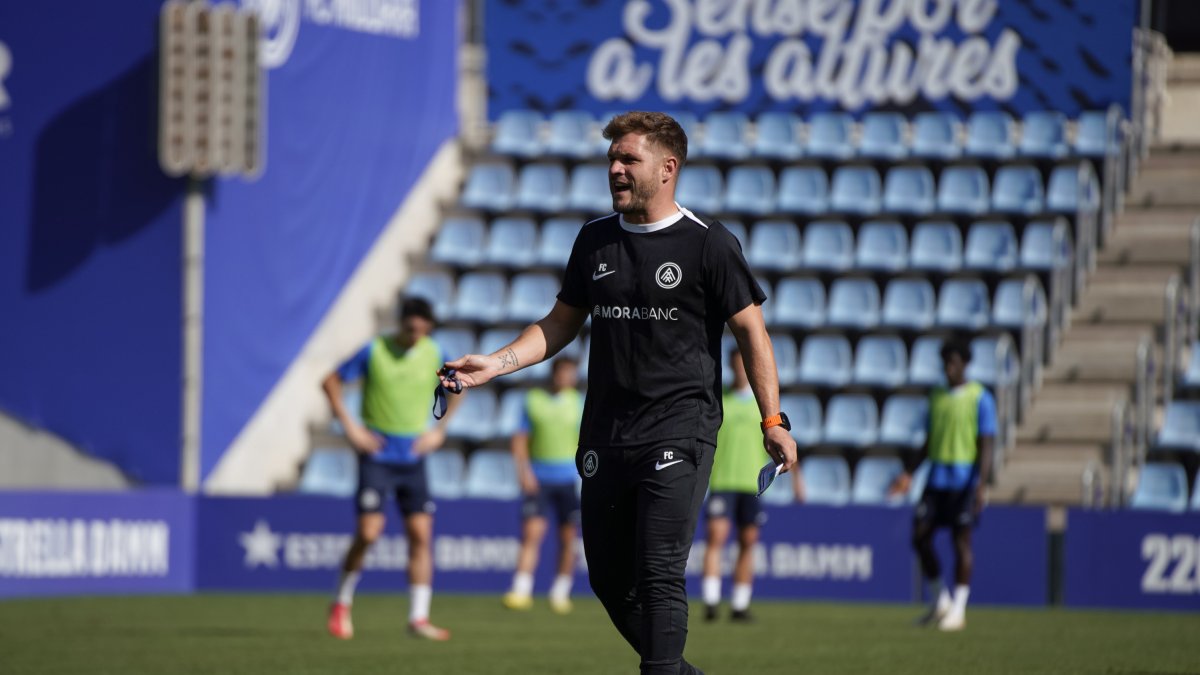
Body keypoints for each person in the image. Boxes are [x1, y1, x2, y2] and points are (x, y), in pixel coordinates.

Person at [440, 111, 798, 675]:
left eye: (629, 159)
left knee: (658, 571)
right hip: (606, 435)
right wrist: (496, 364)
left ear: (668, 167)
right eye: (613, 159)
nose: (615, 169)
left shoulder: (709, 246)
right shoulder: (594, 240)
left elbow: (752, 331)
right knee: (609, 579)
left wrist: (773, 420)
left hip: (681, 431)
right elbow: (559, 324)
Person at [322, 297, 462, 641]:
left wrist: (439, 432)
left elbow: (458, 387)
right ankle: (341, 601)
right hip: (378, 454)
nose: (415, 334)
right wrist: (352, 428)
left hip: (413, 457)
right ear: (401, 323)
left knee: (420, 536)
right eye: (410, 326)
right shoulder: (375, 350)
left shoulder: (435, 352)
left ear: (428, 327)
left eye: (421, 328)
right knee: (369, 532)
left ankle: (418, 618)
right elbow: (331, 381)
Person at [891, 337, 996, 632]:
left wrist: (981, 483)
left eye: (953, 362)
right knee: (919, 536)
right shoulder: (936, 395)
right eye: (945, 362)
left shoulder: (980, 397)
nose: (948, 368)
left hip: (964, 481)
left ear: (964, 364)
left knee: (960, 542)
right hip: (936, 479)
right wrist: (910, 472)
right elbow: (929, 441)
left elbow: (986, 444)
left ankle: (959, 610)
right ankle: (941, 601)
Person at [701, 347, 804, 623]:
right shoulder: (719, 399)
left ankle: (739, 604)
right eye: (736, 365)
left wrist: (797, 480)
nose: (740, 370)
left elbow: (782, 441)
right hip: (723, 479)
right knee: (716, 539)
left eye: (744, 365)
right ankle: (711, 601)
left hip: (751, 482)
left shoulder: (765, 406)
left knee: (748, 542)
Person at [502, 356, 584, 614]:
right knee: (531, 534)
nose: (567, 377)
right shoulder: (534, 400)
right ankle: (521, 589)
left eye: (571, 373)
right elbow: (520, 439)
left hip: (569, 478)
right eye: (564, 372)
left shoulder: (580, 403)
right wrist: (524, 471)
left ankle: (561, 591)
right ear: (555, 373)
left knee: (568, 537)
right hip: (539, 476)